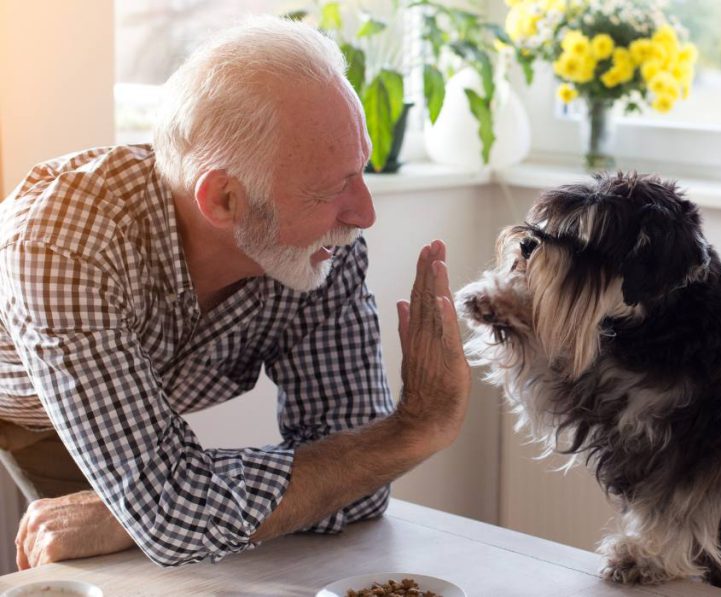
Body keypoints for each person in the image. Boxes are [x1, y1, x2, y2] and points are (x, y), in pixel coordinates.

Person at [0, 16, 470, 569]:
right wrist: (417, 429)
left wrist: (156, 506)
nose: (364, 213)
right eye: (332, 187)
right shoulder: (64, 242)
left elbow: (361, 484)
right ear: (223, 200)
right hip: (18, 406)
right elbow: (176, 518)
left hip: (122, 406)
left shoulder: (321, 248)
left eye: (360, 170)